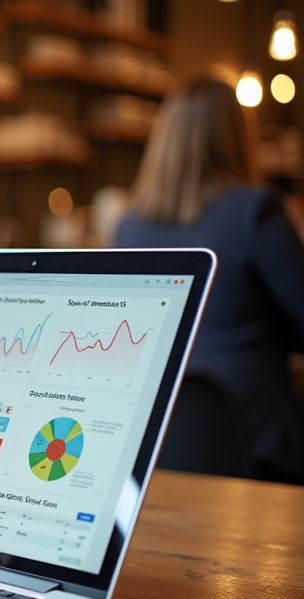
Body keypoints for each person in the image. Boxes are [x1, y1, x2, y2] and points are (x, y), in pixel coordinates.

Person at [115, 74, 304, 484]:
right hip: (258, 448)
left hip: (162, 446)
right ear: (233, 137)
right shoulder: (256, 213)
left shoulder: (127, 228)